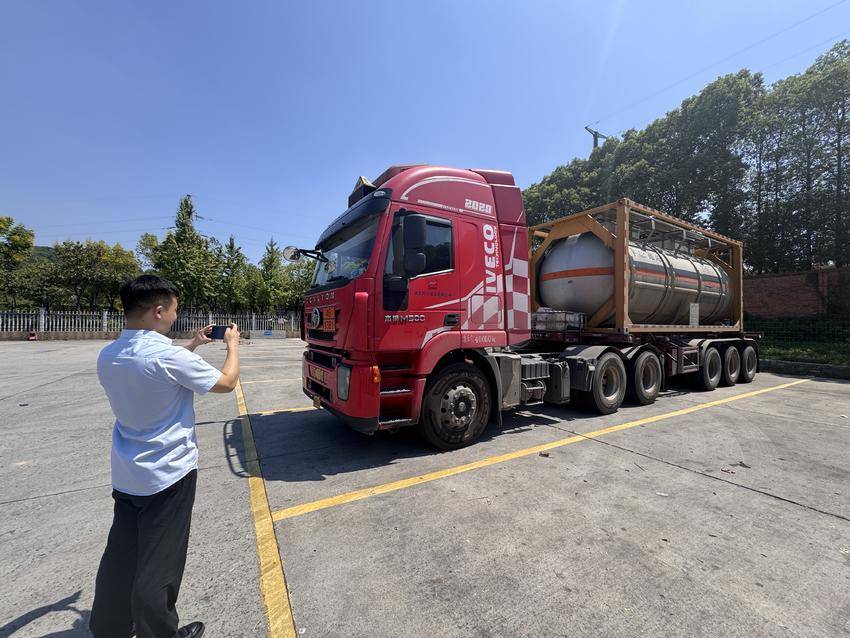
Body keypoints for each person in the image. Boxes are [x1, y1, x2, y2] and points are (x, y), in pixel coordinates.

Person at [90, 274, 241, 638]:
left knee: (121, 556)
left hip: (127, 473)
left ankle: (109, 627)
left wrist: (194, 344)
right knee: (160, 563)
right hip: (168, 473)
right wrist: (232, 347)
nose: (175, 316)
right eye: (174, 310)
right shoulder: (166, 356)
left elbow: (157, 371)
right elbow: (226, 383)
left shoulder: (109, 355)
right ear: (158, 311)